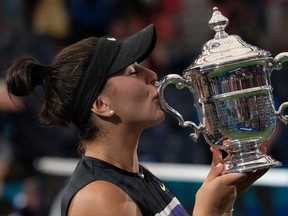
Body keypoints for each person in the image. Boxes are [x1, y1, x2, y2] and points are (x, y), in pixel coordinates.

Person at [5, 24, 268, 216]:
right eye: (132, 71)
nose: (152, 74)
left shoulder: (135, 177)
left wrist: (222, 203)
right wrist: (207, 209)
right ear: (101, 104)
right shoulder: (99, 199)